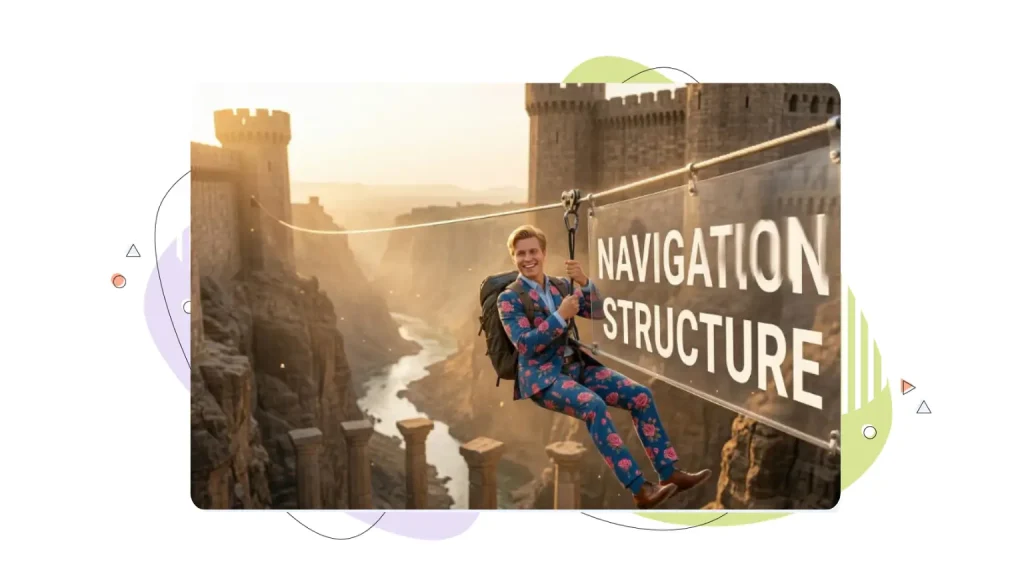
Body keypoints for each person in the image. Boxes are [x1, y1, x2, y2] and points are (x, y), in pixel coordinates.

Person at [496, 224, 712, 509]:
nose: (528, 258)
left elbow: (598, 310)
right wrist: (561, 316)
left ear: (544, 253)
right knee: (594, 406)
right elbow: (525, 344)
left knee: (641, 396)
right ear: (514, 257)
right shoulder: (509, 298)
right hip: (543, 379)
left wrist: (584, 282)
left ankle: (669, 471)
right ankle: (639, 490)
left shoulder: (562, 286)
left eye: (533, 251)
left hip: (576, 367)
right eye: (521, 253)